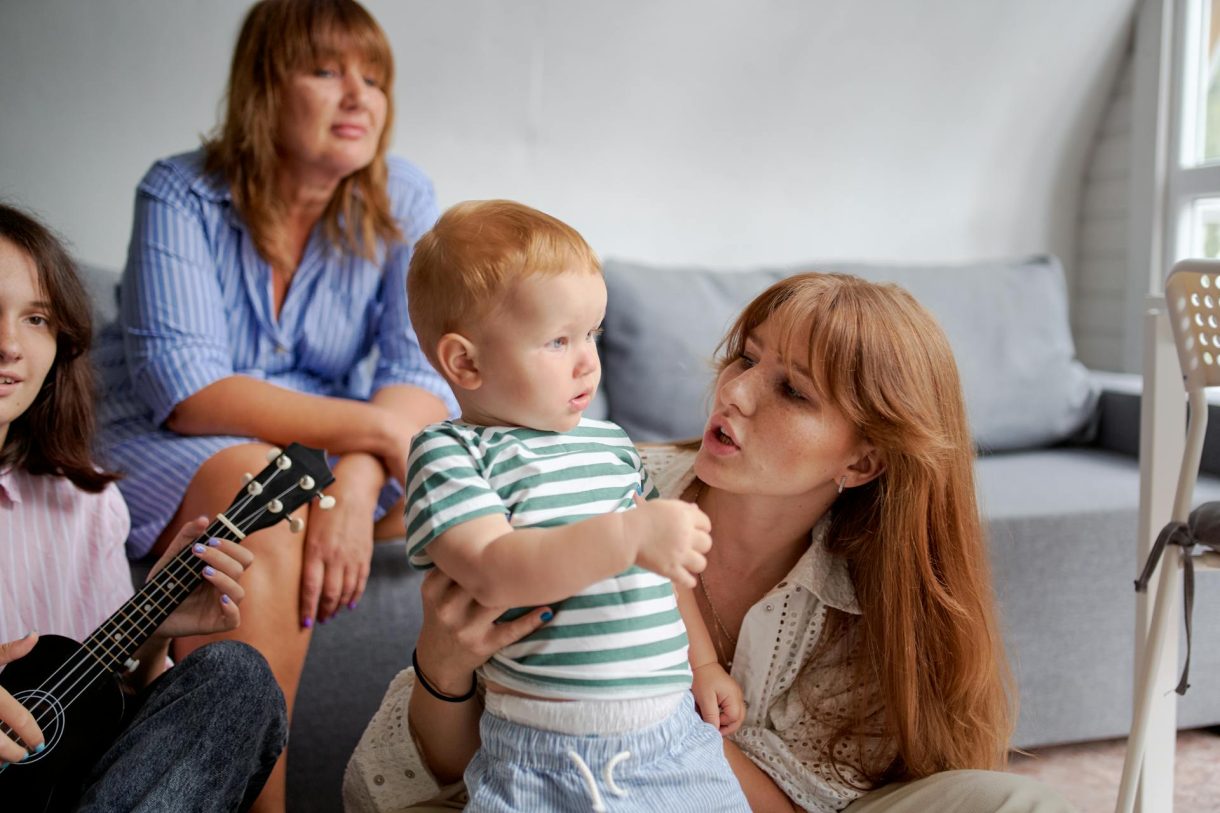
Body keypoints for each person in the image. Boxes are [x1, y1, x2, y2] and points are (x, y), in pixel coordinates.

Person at [344, 272, 1079, 813]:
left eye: (792, 391)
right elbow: (426, 775)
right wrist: (444, 669)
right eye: (745, 357)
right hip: (544, 785)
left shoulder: (870, 605)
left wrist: (652, 709)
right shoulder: (596, 498)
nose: (736, 393)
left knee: (1025, 806)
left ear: (861, 461)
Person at [92, 1, 455, 807]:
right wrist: (366, 436)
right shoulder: (179, 192)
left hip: (317, 453)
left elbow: (419, 376)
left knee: (441, 492)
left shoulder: (402, 195)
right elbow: (188, 391)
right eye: (326, 71)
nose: (359, 97)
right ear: (264, 87)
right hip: (155, 437)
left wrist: (356, 484)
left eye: (375, 78)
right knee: (265, 485)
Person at [399, 199, 748, 811]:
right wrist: (625, 537)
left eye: (593, 333)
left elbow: (666, 578)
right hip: (542, 761)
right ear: (465, 362)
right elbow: (493, 569)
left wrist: (705, 666)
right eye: (558, 340)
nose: (589, 359)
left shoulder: (611, 441)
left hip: (675, 744)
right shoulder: (449, 453)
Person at [0, 203, 287, 811]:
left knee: (235, 676)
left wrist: (153, 633)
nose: (9, 346)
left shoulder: (88, 503)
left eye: (36, 319)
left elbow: (115, 714)